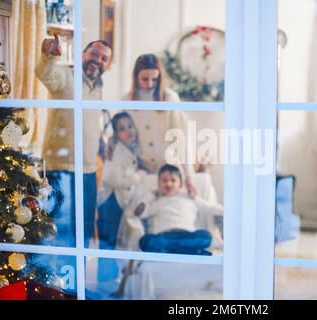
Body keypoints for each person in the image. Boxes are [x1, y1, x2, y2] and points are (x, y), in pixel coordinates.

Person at [35, 35, 113, 247]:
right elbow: (44, 73)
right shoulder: (66, 76)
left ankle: (78, 279)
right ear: (82, 55)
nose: (98, 59)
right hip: (58, 169)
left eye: (104, 58)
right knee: (56, 230)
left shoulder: (97, 87)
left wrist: (101, 142)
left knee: (83, 232)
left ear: (108, 64)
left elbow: (87, 121)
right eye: (94, 53)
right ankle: (54, 280)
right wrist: (49, 56)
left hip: (87, 170)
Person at [122, 54, 197, 197]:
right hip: (142, 172)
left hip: (170, 171)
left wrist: (189, 176)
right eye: (145, 79)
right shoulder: (127, 101)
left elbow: (181, 139)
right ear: (136, 77)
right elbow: (122, 137)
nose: (150, 84)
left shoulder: (170, 98)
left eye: (154, 79)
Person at [134, 164, 222, 255]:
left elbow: (209, 207)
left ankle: (173, 249)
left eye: (173, 180)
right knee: (146, 241)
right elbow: (138, 213)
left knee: (205, 237)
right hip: (165, 236)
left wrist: (228, 211)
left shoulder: (191, 198)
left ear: (180, 184)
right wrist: (150, 195)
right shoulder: (157, 202)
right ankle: (189, 251)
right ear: (158, 184)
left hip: (186, 235)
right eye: (164, 181)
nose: (168, 184)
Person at [97, 112, 148, 252]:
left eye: (130, 126)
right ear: (116, 134)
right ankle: (106, 272)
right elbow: (113, 180)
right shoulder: (118, 151)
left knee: (113, 239)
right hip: (110, 200)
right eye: (122, 129)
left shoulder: (128, 149)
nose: (128, 130)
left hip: (117, 200)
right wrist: (137, 177)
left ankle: (110, 271)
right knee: (108, 239)